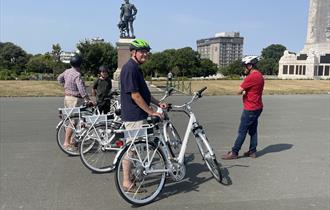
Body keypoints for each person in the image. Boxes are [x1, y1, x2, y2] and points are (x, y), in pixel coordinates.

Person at [120, 39, 167, 192]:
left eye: (147, 51)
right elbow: (135, 95)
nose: (145, 54)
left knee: (136, 147)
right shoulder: (130, 69)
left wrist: (157, 103)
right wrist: (151, 112)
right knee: (132, 149)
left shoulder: (137, 68)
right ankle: (127, 182)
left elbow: (144, 93)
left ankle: (131, 177)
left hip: (138, 114)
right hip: (134, 115)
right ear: (133, 52)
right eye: (142, 51)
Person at [222, 56, 264, 159]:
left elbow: (238, 91)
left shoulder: (251, 77)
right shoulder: (259, 75)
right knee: (253, 130)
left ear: (250, 66)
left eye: (245, 66)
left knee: (242, 131)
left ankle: (234, 152)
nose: (244, 68)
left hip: (250, 107)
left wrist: (244, 92)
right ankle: (252, 151)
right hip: (258, 106)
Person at [57, 54, 93, 151]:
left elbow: (59, 79)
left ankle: (72, 140)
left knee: (70, 119)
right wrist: (87, 99)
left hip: (67, 97)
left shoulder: (67, 71)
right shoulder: (77, 74)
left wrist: (66, 86)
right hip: (75, 99)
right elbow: (81, 89)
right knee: (73, 121)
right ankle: (66, 142)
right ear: (80, 64)